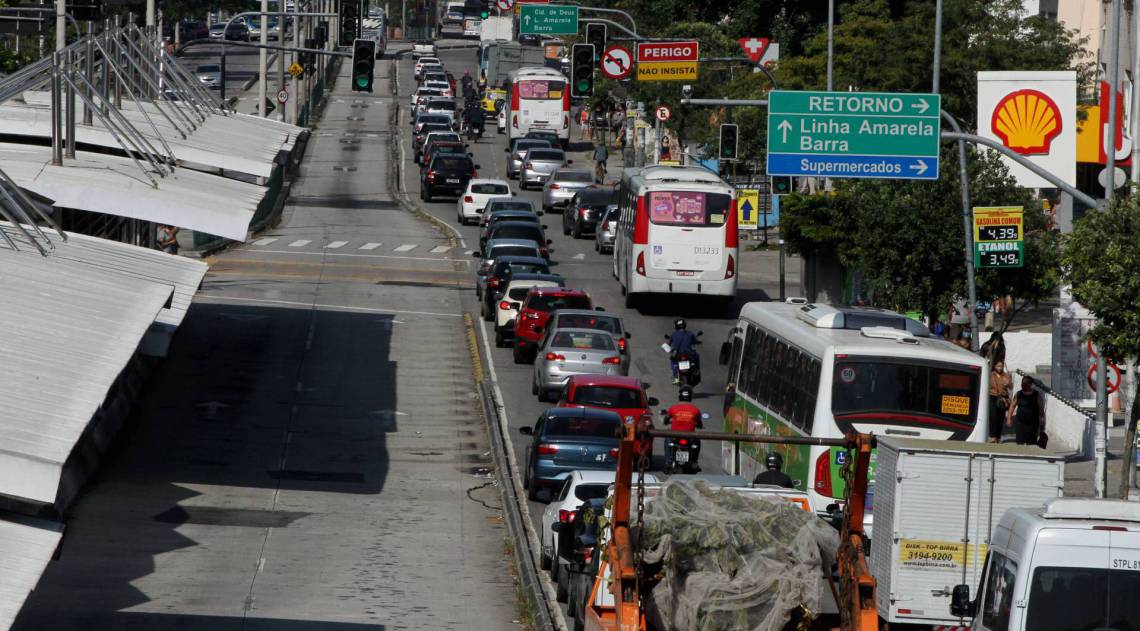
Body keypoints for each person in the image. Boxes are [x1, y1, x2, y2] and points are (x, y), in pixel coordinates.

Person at [664, 386, 703, 467]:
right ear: (690, 397)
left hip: (675, 437)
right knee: (697, 441)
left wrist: (667, 422)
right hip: (690, 437)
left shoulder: (673, 408)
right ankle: (694, 461)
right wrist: (698, 425)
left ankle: (668, 461)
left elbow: (666, 420)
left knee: (667, 439)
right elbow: (700, 424)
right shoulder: (696, 410)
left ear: (680, 396)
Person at [1006, 376, 1045, 446]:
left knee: (1031, 444)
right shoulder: (1019, 394)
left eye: (1025, 384)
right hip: (1020, 423)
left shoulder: (1037, 395)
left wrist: (1042, 425)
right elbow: (1012, 406)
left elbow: (1041, 411)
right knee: (1019, 443)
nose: (1023, 386)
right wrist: (1009, 419)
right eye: (1022, 384)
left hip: (1033, 424)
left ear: (1031, 384)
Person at [668, 318, 698, 385]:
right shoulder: (690, 333)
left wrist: (668, 349)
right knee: (696, 356)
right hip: (689, 354)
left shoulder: (673, 334)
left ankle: (675, 376)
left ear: (676, 326)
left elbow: (668, 343)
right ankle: (696, 370)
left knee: (673, 361)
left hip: (678, 354)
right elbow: (695, 341)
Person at [988, 360, 1013, 443]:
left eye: (1001, 366)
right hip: (993, 397)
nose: (1000, 368)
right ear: (995, 366)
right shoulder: (991, 375)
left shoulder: (1006, 375)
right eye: (998, 366)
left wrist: (1008, 383)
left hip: (1003, 398)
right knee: (993, 417)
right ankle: (992, 436)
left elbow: (1011, 387)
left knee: (1000, 418)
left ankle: (998, 437)